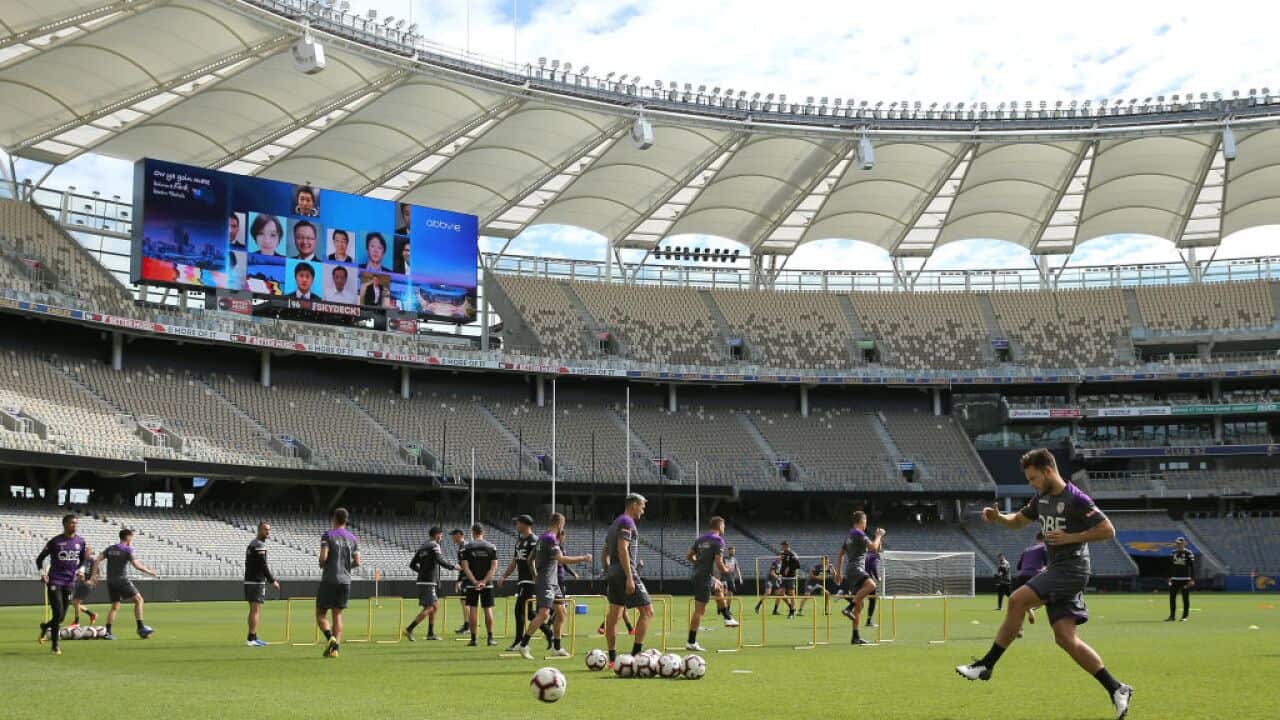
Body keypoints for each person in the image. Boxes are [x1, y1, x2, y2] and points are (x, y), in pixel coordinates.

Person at [955, 449, 1133, 720]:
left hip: (1071, 569)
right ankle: (1116, 688)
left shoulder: (1076, 498)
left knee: (1016, 600)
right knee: (1065, 639)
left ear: (1049, 471)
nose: (1031, 484)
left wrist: (1073, 536)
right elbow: (1018, 521)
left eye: (1034, 478)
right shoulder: (1041, 498)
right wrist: (998, 518)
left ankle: (986, 665)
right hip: (1059, 570)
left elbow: (1108, 530)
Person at [514, 513, 591, 659]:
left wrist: (535, 575)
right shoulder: (550, 538)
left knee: (561, 613)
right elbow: (560, 559)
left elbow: (530, 560)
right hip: (547, 582)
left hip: (552, 582)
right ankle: (523, 645)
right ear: (560, 524)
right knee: (544, 614)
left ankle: (556, 647)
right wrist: (583, 558)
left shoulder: (542, 538)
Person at [603, 493, 653, 664]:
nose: (643, 511)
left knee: (614, 615)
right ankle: (636, 656)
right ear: (633, 505)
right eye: (642, 506)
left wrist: (608, 571)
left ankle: (612, 659)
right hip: (625, 572)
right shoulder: (627, 522)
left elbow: (605, 552)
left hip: (613, 572)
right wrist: (629, 577)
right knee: (647, 611)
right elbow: (623, 549)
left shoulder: (614, 524)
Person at [36, 513, 88, 655]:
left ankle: (45, 626)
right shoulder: (55, 542)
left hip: (70, 581)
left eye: (76, 523)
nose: (74, 525)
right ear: (64, 524)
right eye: (72, 523)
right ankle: (55, 646)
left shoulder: (81, 542)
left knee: (61, 617)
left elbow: (83, 559)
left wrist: (81, 569)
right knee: (57, 612)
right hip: (55, 580)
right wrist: (42, 573)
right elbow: (39, 559)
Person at [685, 516, 739, 652]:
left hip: (700, 575)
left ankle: (727, 618)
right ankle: (691, 642)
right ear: (720, 525)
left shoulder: (700, 539)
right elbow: (720, 564)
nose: (724, 529)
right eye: (724, 526)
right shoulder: (718, 540)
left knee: (718, 587)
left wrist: (698, 563)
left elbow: (689, 556)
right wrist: (728, 570)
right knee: (699, 610)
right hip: (703, 577)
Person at [834, 511, 885, 645]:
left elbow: (840, 554)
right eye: (865, 521)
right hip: (856, 569)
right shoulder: (859, 533)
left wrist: (838, 574)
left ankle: (855, 636)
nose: (866, 524)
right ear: (862, 521)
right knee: (872, 586)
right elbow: (873, 547)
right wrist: (878, 535)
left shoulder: (850, 535)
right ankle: (848, 608)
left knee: (860, 604)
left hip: (850, 571)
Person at [99, 529, 159, 640]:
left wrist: (95, 573)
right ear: (128, 537)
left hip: (110, 581)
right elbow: (136, 565)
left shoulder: (110, 548)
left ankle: (107, 632)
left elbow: (97, 559)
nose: (132, 539)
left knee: (115, 606)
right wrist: (150, 571)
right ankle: (140, 627)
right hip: (121, 579)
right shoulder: (127, 550)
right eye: (131, 537)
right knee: (139, 600)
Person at [317, 508, 360, 659]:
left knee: (321, 614)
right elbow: (357, 562)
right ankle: (335, 650)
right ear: (346, 520)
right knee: (338, 614)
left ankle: (331, 639)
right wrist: (346, 567)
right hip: (345, 581)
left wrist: (322, 564)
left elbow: (323, 557)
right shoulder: (353, 538)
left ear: (334, 518)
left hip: (330, 579)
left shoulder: (328, 535)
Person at [499, 515, 545, 652]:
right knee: (529, 613)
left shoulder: (534, 540)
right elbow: (514, 561)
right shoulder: (519, 541)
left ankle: (519, 642)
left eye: (518, 523)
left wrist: (537, 577)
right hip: (522, 580)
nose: (516, 526)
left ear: (525, 524)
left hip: (530, 580)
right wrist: (504, 576)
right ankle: (548, 633)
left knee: (519, 610)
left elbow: (537, 561)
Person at [405, 526, 458, 641]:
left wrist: (422, 572)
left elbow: (412, 565)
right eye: (441, 535)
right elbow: (439, 560)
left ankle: (430, 633)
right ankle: (409, 629)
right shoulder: (434, 545)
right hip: (428, 581)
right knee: (431, 607)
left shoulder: (423, 547)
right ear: (437, 535)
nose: (442, 538)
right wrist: (453, 567)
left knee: (435, 606)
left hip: (423, 580)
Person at [460, 523, 499, 647]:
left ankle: (473, 639)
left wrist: (475, 582)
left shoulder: (466, 548)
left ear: (473, 532)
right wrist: (484, 581)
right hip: (487, 583)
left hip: (472, 584)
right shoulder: (491, 547)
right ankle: (490, 638)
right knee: (488, 609)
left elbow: (465, 568)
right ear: (483, 532)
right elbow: (493, 567)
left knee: (473, 608)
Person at [244, 522, 279, 647]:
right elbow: (262, 565)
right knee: (256, 610)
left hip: (249, 580)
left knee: (253, 610)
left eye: (269, 530)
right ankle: (251, 639)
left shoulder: (252, 544)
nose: (268, 532)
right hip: (256, 581)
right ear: (259, 530)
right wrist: (272, 580)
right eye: (265, 530)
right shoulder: (259, 545)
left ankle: (252, 636)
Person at [1014, 532, 1047, 629]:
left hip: (1022, 576)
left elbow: (1018, 567)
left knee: (1019, 603)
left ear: (1036, 539)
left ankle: (1019, 629)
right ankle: (1031, 608)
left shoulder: (1026, 549)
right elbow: (1048, 563)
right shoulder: (1044, 547)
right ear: (1045, 539)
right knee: (1048, 598)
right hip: (1035, 575)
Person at [1166, 537, 1195, 622]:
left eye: (1180, 543)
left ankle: (1184, 617)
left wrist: (1192, 579)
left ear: (1184, 543)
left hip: (1185, 579)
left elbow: (1192, 567)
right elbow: (1171, 566)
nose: (1178, 545)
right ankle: (1172, 616)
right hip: (1175, 579)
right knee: (1172, 597)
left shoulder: (1189, 553)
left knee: (1185, 598)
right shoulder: (1173, 553)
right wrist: (1169, 577)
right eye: (1177, 543)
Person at [69, 546, 98, 629]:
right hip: (81, 583)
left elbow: (96, 574)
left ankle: (77, 622)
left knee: (76, 602)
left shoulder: (91, 561)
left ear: (90, 553)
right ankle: (92, 614)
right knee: (74, 603)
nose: (85, 552)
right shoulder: (83, 561)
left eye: (87, 551)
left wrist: (91, 581)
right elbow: (78, 572)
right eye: (85, 551)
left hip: (86, 584)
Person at [449, 528, 470, 635]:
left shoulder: (463, 547)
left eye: (453, 535)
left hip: (468, 578)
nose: (452, 537)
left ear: (459, 535)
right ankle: (468, 624)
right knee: (465, 602)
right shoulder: (464, 546)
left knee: (465, 602)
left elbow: (464, 566)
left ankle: (468, 626)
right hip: (469, 577)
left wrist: (459, 580)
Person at [778, 542, 801, 618]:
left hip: (791, 577)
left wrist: (789, 568)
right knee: (781, 593)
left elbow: (798, 565)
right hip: (783, 577)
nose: (782, 548)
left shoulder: (793, 554)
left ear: (787, 546)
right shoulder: (782, 554)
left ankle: (792, 613)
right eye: (782, 547)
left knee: (791, 594)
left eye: (783, 546)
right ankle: (791, 607)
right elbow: (782, 562)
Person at [864, 548, 881, 628]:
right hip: (868, 580)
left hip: (858, 578)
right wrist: (878, 578)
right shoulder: (874, 556)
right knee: (872, 600)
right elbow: (873, 568)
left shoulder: (865, 555)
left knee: (857, 597)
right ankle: (869, 621)